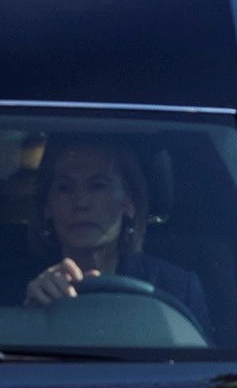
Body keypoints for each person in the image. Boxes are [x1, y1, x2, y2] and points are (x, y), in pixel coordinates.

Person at [19, 140, 210, 326]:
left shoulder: (176, 290)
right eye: (65, 188)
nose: (80, 203)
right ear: (47, 207)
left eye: (98, 186)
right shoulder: (13, 285)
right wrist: (32, 314)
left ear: (130, 203)